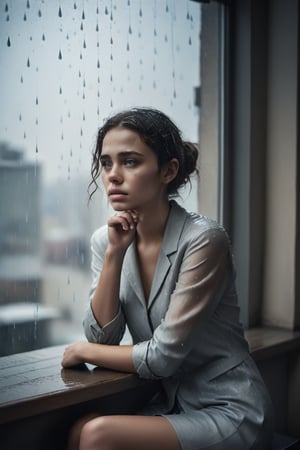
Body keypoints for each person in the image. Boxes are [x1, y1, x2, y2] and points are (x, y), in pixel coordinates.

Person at [62, 107, 274, 450]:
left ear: (168, 170)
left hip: (230, 408)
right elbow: (103, 335)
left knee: (96, 435)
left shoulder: (204, 240)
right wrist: (116, 255)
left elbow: (162, 357)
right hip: (172, 404)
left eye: (130, 162)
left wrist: (83, 350)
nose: (113, 175)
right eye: (106, 163)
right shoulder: (106, 240)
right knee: (80, 429)